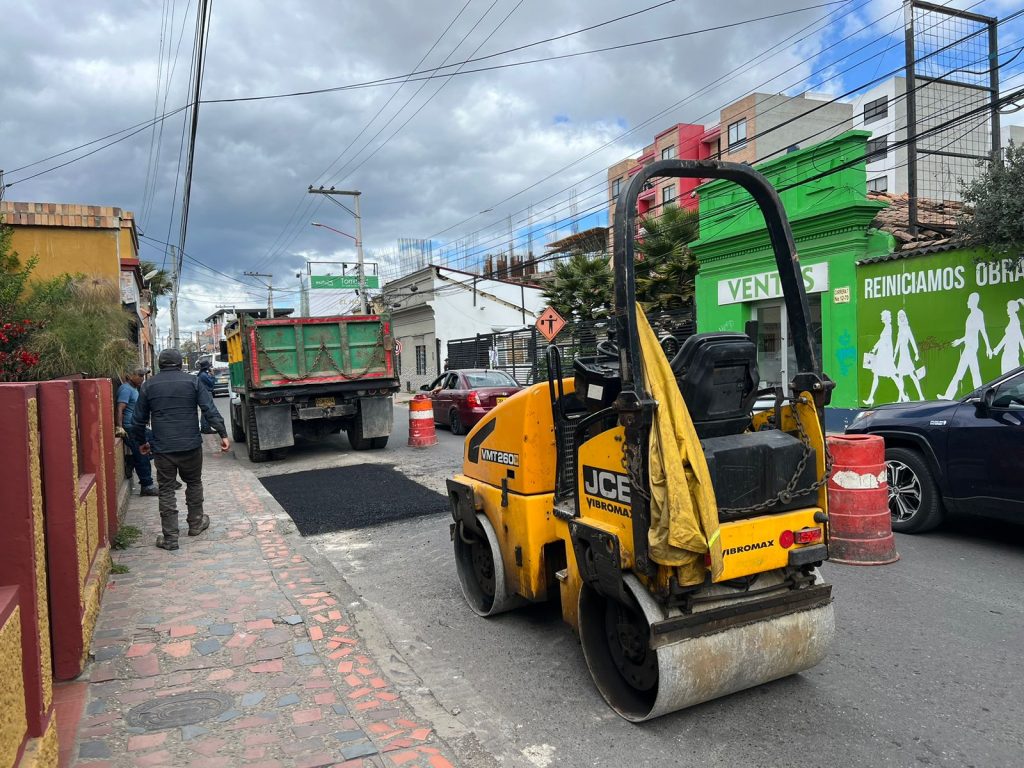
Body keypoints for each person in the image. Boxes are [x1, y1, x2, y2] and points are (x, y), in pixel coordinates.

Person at [132, 349, 230, 551]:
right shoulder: (193, 382)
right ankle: (195, 524)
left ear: (160, 364)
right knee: (194, 483)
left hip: (163, 449)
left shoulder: (148, 385)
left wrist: (141, 441)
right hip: (191, 446)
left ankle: (170, 538)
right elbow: (209, 409)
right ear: (179, 364)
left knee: (166, 489)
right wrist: (222, 434)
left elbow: (137, 421)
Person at [941, 292, 992, 399]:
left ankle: (948, 396)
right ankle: (981, 396)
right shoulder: (971, 314)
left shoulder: (978, 313)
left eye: (969, 300)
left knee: (960, 373)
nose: (967, 302)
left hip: (971, 347)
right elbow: (969, 335)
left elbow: (982, 330)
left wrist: (988, 346)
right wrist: (960, 340)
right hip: (969, 345)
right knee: (974, 372)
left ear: (973, 302)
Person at [116, 367, 157, 496]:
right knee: (142, 454)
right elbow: (120, 408)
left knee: (158, 443)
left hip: (138, 427)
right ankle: (147, 485)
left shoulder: (134, 389)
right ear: (130, 375)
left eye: (143, 375)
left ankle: (132, 460)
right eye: (139, 375)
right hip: (130, 428)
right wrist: (119, 427)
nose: (142, 378)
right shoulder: (125, 389)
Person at [863, 310, 901, 406]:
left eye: (882, 316)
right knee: (877, 376)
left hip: (884, 356)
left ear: (886, 317)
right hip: (882, 355)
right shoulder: (886, 327)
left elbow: (886, 342)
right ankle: (871, 398)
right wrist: (874, 348)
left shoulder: (888, 327)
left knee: (892, 376)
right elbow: (882, 340)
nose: (881, 317)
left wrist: (879, 351)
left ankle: (903, 395)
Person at [894, 309, 924, 402]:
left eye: (902, 315)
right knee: (900, 377)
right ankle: (900, 398)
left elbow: (912, 340)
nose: (901, 317)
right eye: (900, 316)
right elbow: (897, 344)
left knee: (912, 375)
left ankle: (921, 395)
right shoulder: (900, 329)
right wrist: (894, 356)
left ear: (905, 316)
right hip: (901, 355)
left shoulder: (907, 328)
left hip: (906, 354)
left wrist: (916, 353)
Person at [991, 299, 1024, 375]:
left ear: (1012, 309)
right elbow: (1019, 336)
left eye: (1008, 308)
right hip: (1011, 352)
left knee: (1009, 378)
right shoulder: (1014, 320)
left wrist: (997, 349)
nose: (1007, 309)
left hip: (1010, 353)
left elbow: (1008, 337)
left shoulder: (1014, 320)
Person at [197, 359, 217, 433]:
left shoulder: (202, 374)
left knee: (205, 410)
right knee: (207, 410)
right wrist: (212, 375)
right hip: (206, 393)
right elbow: (212, 383)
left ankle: (204, 427)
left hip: (204, 393)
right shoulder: (203, 375)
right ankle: (206, 428)